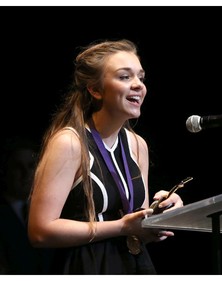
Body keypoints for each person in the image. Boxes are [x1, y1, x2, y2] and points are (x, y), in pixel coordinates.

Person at [27, 38, 184, 274]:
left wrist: (160, 213)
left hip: (136, 265)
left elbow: (136, 223)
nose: (138, 85)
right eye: (124, 77)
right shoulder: (70, 143)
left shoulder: (137, 144)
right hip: (87, 267)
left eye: (141, 78)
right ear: (95, 89)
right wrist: (121, 228)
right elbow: (40, 232)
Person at [0, 136, 53, 274]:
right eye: (18, 167)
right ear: (6, 170)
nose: (25, 173)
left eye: (31, 166)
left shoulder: (51, 209)